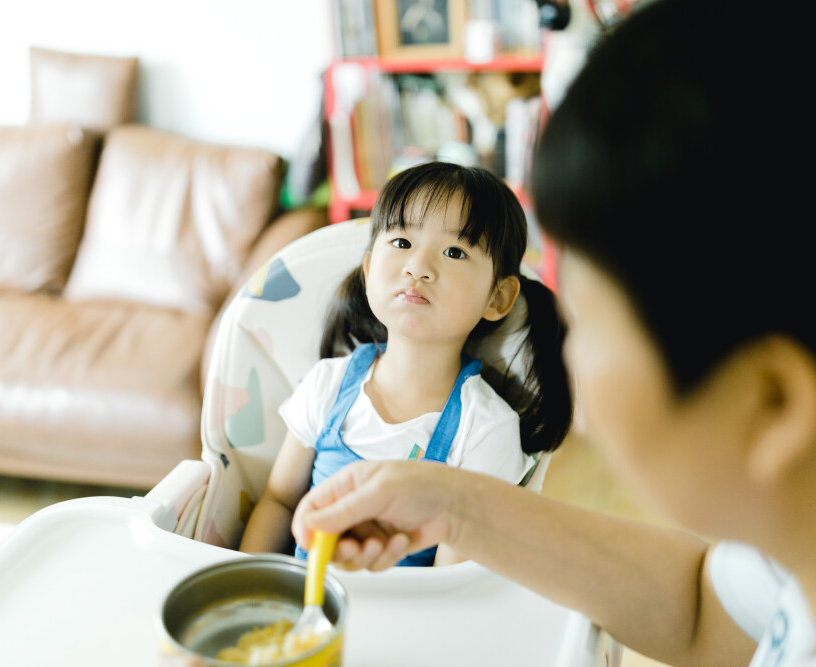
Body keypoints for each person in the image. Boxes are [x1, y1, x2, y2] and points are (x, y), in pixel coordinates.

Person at [290, 0, 816, 664]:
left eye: (586, 328)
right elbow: (702, 609)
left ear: (773, 402)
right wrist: (451, 505)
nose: (574, 379)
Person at [238, 161, 571, 566]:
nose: (417, 268)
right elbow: (279, 501)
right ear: (368, 269)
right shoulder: (327, 385)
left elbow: (448, 584)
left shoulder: (485, 431)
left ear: (498, 297)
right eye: (401, 243)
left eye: (454, 251)